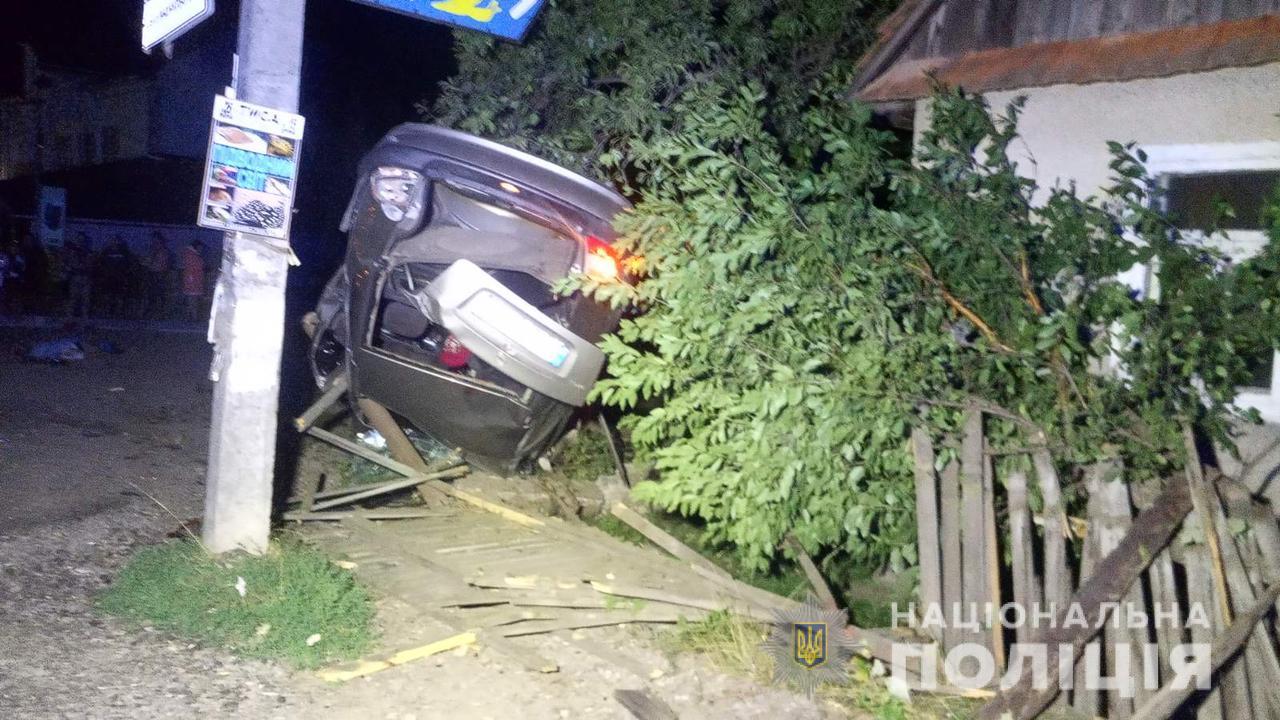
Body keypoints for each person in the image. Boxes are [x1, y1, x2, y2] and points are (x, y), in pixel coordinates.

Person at [94, 235, 131, 318]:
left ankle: (118, 313)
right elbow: (100, 263)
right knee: (107, 295)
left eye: (117, 241)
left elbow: (129, 265)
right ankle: (107, 312)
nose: (115, 242)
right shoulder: (106, 251)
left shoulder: (125, 252)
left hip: (120, 278)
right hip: (108, 277)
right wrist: (102, 274)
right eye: (113, 240)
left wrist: (125, 275)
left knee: (119, 296)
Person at [143, 231, 172, 319]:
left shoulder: (164, 251)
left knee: (160, 294)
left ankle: (161, 313)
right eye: (153, 239)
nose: (154, 241)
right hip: (152, 273)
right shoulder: (152, 250)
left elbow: (165, 263)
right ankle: (150, 312)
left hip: (160, 274)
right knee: (151, 294)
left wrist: (163, 271)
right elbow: (147, 261)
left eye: (156, 239)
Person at [63, 232, 92, 318]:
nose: (80, 241)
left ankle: (84, 317)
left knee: (85, 299)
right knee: (73, 298)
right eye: (79, 239)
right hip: (74, 278)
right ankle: (69, 317)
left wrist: (83, 266)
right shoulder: (72, 251)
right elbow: (68, 264)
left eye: (82, 240)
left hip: (86, 278)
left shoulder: (88, 252)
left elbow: (90, 265)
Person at [181, 239, 206, 321]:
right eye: (200, 248)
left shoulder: (190, 255)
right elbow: (195, 268)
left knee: (191, 300)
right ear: (197, 247)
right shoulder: (192, 256)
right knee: (193, 301)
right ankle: (193, 317)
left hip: (192, 280)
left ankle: (190, 317)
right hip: (193, 281)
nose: (201, 249)